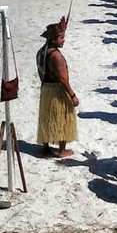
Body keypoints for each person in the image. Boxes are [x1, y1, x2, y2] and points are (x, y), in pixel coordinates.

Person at [36, 17, 79, 158]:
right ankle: (61, 150)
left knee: (47, 117)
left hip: (45, 88)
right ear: (53, 39)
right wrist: (72, 95)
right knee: (62, 117)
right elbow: (63, 79)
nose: (63, 40)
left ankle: (45, 147)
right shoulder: (56, 57)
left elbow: (40, 72)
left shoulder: (41, 52)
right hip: (56, 90)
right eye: (61, 38)